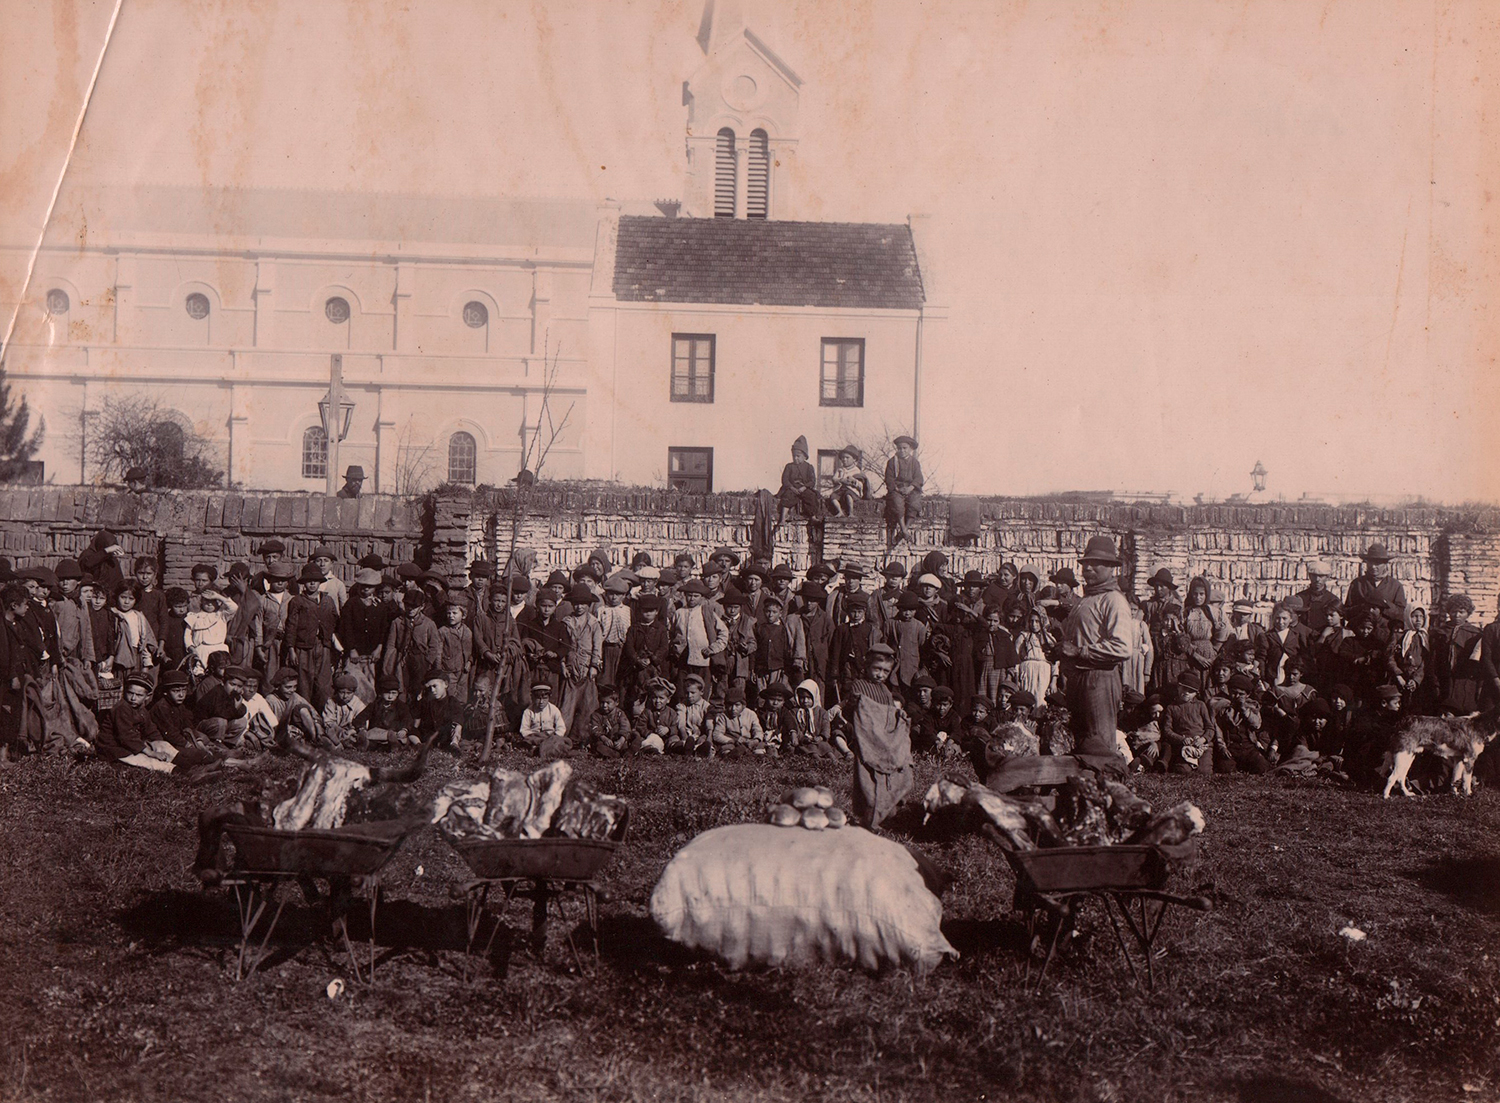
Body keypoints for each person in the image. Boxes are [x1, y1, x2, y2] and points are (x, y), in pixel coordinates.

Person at [1054, 536, 1133, 770]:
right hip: (1079, 679)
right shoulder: (1086, 600)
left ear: (1110, 568)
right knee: (1082, 743)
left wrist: (1079, 651)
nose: (1087, 567)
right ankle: (1086, 795)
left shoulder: (1114, 600)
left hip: (1100, 679)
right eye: (1086, 562)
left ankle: (1110, 795)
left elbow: (1122, 647)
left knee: (1100, 746)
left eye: (1096, 563)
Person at [843, 643, 912, 828]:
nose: (880, 675)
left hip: (884, 742)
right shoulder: (859, 686)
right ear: (867, 666)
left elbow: (889, 714)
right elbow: (850, 713)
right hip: (866, 741)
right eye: (877, 669)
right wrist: (856, 704)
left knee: (889, 775)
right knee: (867, 778)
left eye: (885, 672)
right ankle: (869, 811)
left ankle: (887, 810)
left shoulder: (885, 691)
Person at [1344, 543, 1407, 643]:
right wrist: (1363, 607)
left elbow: (1402, 614)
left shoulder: (1395, 586)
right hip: (1360, 636)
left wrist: (1384, 605)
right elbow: (1346, 612)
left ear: (1385, 564)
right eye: (1370, 562)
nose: (1373, 567)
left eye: (1377, 563)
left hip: (1385, 637)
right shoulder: (1357, 584)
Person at [883, 435, 924, 547]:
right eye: (899, 448)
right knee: (897, 503)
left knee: (914, 503)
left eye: (904, 448)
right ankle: (903, 529)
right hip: (897, 489)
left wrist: (910, 488)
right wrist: (897, 489)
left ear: (910, 448)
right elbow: (889, 478)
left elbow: (919, 478)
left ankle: (904, 529)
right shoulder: (892, 462)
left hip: (911, 489)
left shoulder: (914, 462)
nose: (902, 451)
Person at [776, 436, 820, 525]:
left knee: (811, 496)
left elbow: (812, 481)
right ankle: (783, 518)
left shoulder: (809, 467)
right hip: (792, 488)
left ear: (804, 456)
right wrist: (792, 488)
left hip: (804, 488)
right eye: (794, 456)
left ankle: (813, 517)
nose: (795, 458)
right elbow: (785, 480)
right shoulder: (789, 466)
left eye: (798, 456)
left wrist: (804, 487)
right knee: (787, 497)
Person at [825, 445, 873, 517]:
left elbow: (860, 485)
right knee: (833, 497)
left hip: (852, 491)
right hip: (840, 491)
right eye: (843, 458)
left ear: (854, 460)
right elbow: (834, 479)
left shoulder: (857, 471)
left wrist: (853, 481)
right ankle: (840, 511)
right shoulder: (840, 469)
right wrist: (841, 480)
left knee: (848, 495)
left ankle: (851, 512)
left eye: (847, 458)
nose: (844, 459)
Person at [1296, 560, 1342, 633]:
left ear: (1327, 577)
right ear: (1309, 576)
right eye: (1314, 576)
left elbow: (1338, 626)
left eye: (1321, 576)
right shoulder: (1300, 597)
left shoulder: (1332, 599)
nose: (1317, 580)